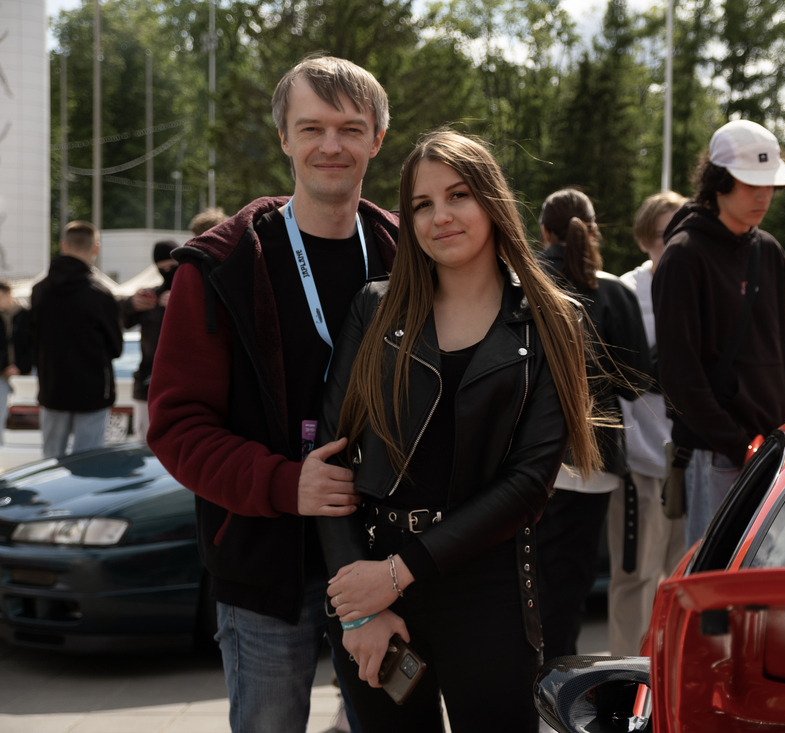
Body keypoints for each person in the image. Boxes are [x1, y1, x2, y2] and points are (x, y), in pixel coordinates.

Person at [316, 130, 599, 732]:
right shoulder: (374, 309)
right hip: (372, 586)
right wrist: (358, 608)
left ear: (492, 201)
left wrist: (399, 572)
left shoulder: (553, 321)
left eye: (458, 195)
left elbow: (529, 484)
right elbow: (331, 461)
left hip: (487, 589)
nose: (440, 216)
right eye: (422, 204)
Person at [147, 56, 397, 733]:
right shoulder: (221, 266)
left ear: (377, 139)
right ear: (284, 137)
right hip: (265, 567)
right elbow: (176, 426)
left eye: (350, 128)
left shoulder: (410, 256)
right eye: (311, 127)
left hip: (384, 565)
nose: (331, 145)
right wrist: (285, 484)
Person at [653, 120, 785, 549]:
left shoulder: (770, 250)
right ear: (718, 181)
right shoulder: (683, 256)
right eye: (750, 184)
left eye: (770, 185)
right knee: (723, 577)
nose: (763, 196)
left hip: (782, 451)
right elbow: (679, 374)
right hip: (718, 458)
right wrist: (738, 444)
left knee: (776, 574)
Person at [534, 188, 651, 661]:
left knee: (526, 583)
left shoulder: (516, 281)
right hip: (591, 460)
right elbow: (636, 385)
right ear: (594, 230)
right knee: (569, 586)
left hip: (526, 455)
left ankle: (533, 681)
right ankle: (557, 684)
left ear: (545, 232)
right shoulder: (615, 292)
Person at [608, 191, 687, 656]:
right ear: (643, 239)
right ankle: (624, 681)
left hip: (693, 458)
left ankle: (674, 679)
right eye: (664, 235)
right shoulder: (626, 292)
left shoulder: (699, 286)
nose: (675, 244)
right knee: (636, 577)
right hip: (640, 460)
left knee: (686, 579)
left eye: (683, 233)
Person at [30, 220, 124, 459]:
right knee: (88, 461)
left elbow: (31, 337)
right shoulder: (99, 294)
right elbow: (116, 347)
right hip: (92, 390)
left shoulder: (39, 291)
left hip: (52, 386)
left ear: (63, 245)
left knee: (50, 461)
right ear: (95, 248)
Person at [120, 239, 178, 442]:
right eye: (162, 268)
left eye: (172, 267)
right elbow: (119, 319)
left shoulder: (194, 293)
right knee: (145, 443)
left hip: (180, 381)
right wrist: (130, 304)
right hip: (148, 378)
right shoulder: (152, 297)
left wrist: (181, 301)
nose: (167, 272)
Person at [0, 282, 31, 442]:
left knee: (28, 410)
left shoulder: (27, 315)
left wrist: (19, 366)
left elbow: (33, 345)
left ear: (8, 294)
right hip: (3, 373)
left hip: (26, 373)